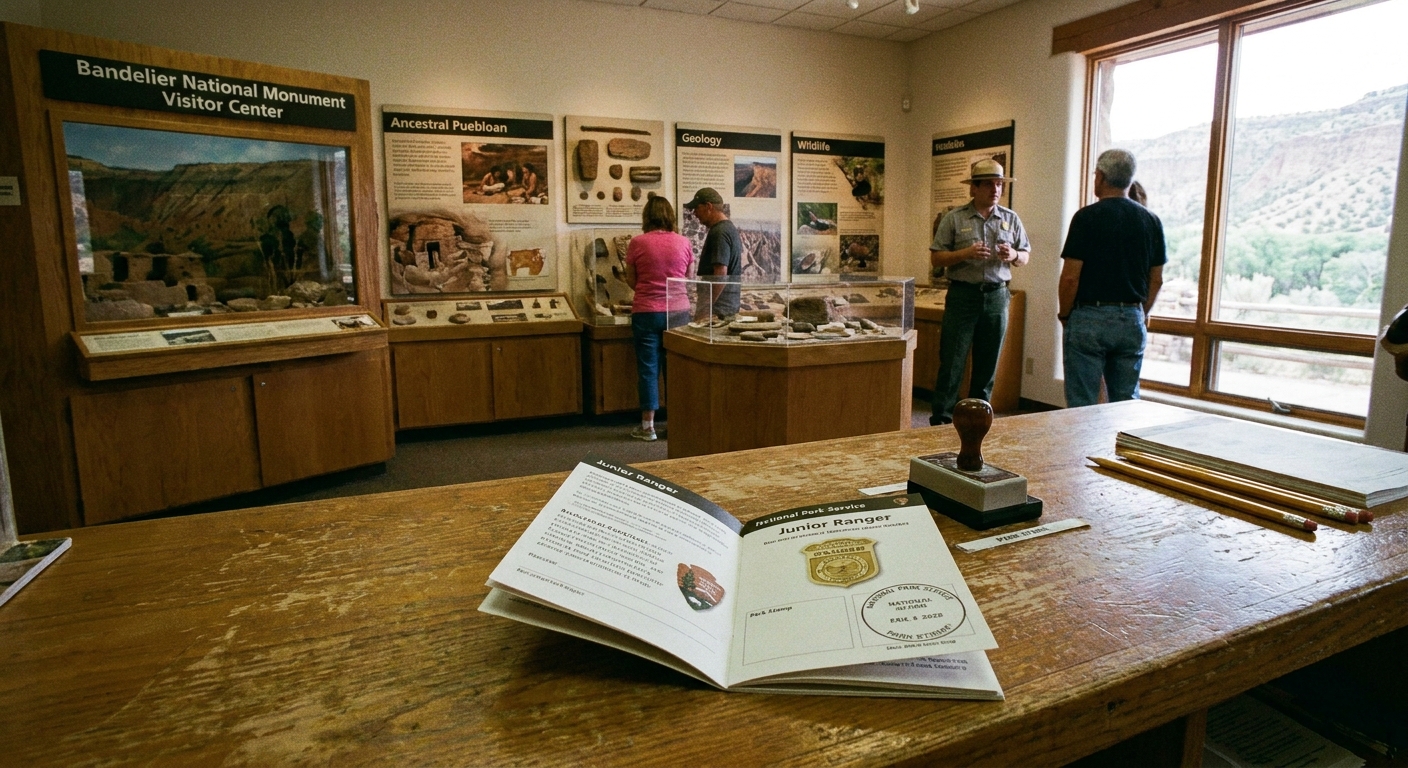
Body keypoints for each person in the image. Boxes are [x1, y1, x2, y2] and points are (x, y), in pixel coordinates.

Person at [1057, 149, 1166, 407]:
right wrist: (1141, 311)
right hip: (1130, 317)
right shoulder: (1151, 221)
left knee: (1082, 403)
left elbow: (1071, 277)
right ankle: (1121, 447)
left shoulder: (1086, 218)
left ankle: (1083, 449)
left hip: (1089, 317)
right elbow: (1157, 279)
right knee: (1126, 403)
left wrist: (1065, 314)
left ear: (1101, 177)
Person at [928, 158, 1030, 425]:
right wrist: (966, 253)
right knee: (952, 362)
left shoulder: (1010, 219)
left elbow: (1025, 256)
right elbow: (937, 259)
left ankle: (977, 420)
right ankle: (941, 420)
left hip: (997, 296)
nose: (995, 190)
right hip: (963, 295)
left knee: (987, 364)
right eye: (988, 185)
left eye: (999, 185)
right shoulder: (954, 218)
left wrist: (1014, 254)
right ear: (973, 188)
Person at [625, 196, 694, 441]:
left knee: (648, 369)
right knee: (675, 368)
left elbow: (631, 279)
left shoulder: (637, 243)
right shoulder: (684, 242)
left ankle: (648, 427)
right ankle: (678, 423)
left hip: (646, 310)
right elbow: (689, 276)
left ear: (647, 216)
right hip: (678, 311)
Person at [682, 187, 742, 320]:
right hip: (724, 307)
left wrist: (706, 308)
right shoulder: (728, 228)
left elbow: (720, 272)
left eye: (696, 208)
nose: (695, 214)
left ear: (708, 206)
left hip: (717, 311)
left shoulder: (719, 232)